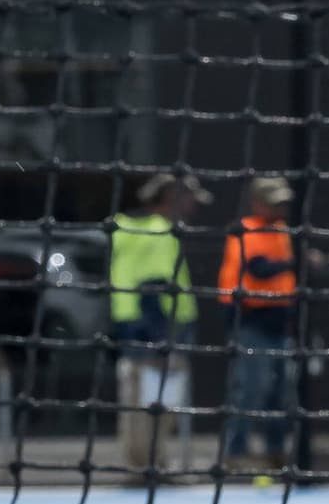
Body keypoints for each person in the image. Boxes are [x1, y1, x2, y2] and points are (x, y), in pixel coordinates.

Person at [104, 173, 202, 479]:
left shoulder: (126, 229)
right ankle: (150, 466)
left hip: (133, 329)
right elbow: (154, 285)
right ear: (170, 198)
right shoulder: (159, 231)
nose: (192, 206)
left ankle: (143, 464)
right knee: (154, 406)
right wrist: (164, 336)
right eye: (188, 199)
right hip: (156, 333)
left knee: (141, 403)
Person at [216, 175, 301, 480]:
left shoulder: (282, 231)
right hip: (250, 320)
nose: (279, 208)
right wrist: (298, 262)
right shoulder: (245, 230)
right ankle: (235, 454)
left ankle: (275, 453)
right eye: (272, 202)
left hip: (280, 321)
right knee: (252, 388)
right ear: (256, 202)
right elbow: (259, 269)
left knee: (281, 391)